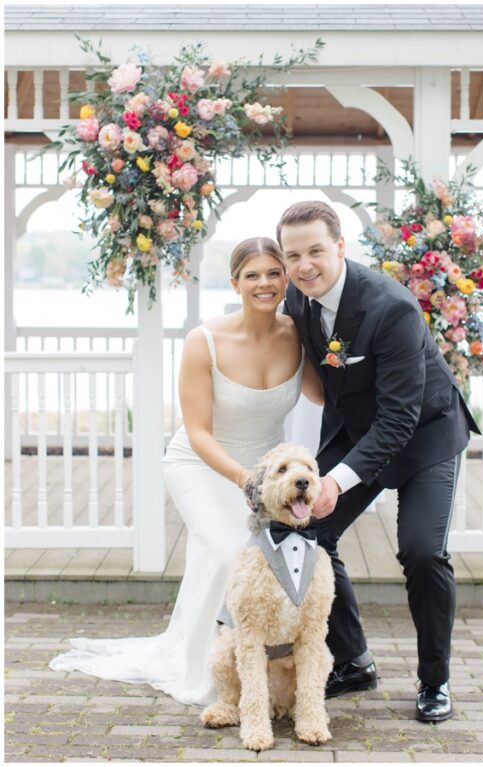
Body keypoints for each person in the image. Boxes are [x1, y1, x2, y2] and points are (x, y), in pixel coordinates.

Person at [50, 237, 323, 705]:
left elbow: (324, 393)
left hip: (265, 470)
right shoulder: (205, 340)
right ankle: (208, 672)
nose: (264, 283)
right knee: (228, 553)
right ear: (234, 282)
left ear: (286, 281)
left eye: (273, 273)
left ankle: (257, 662)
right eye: (252, 275)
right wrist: (245, 480)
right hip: (203, 463)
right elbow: (196, 431)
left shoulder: (299, 333)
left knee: (255, 560)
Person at [278, 200, 478, 723]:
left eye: (316, 251)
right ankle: (354, 660)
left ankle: (435, 680)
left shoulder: (392, 307)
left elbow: (399, 418)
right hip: (358, 431)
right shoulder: (297, 302)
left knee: (421, 551)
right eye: (292, 255)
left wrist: (337, 483)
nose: (304, 266)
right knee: (308, 533)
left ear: (340, 247)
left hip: (424, 433)